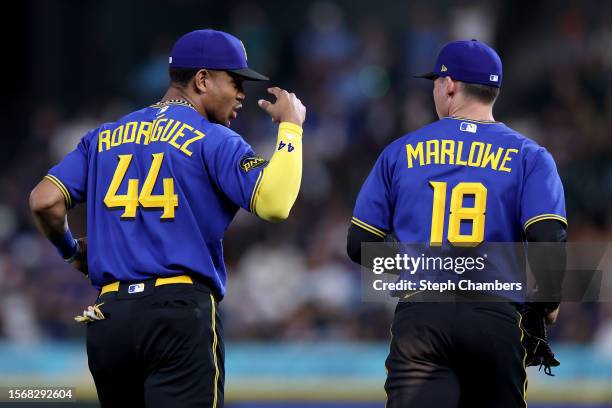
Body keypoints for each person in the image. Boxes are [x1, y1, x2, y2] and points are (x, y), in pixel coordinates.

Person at [29, 28, 306, 408]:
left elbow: (44, 200)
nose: (242, 93)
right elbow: (275, 203)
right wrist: (291, 129)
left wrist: (71, 252)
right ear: (202, 79)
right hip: (178, 311)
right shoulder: (213, 138)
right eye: (236, 81)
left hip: (109, 318)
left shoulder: (103, 136)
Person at [347, 40, 567, 407]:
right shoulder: (532, 156)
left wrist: (414, 265)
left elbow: (358, 244)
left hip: (423, 317)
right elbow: (547, 235)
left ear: (449, 85)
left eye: (435, 81)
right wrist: (547, 300)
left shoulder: (400, 151)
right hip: (495, 315)